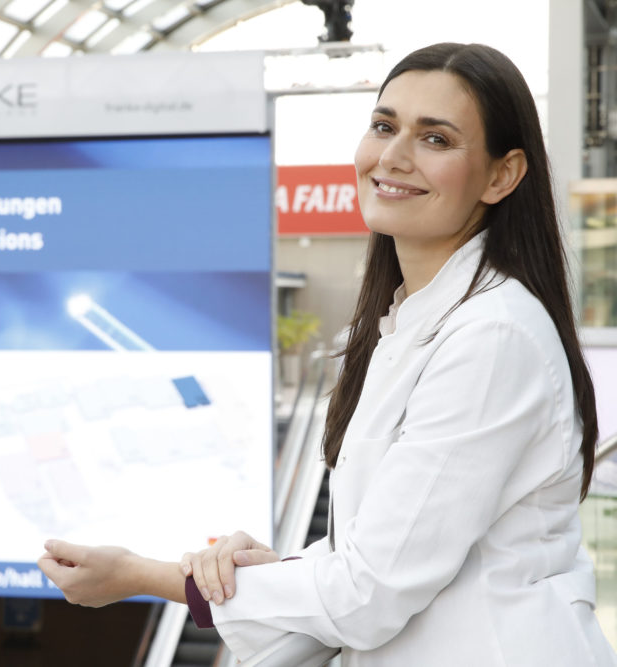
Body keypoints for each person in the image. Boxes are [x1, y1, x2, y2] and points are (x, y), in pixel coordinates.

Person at [38, 42, 617, 665]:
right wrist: (265, 572)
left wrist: (140, 575)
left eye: (436, 139)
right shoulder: (410, 321)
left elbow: (368, 593)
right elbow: (379, 555)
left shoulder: (492, 337)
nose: (392, 157)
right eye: (384, 126)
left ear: (502, 175)